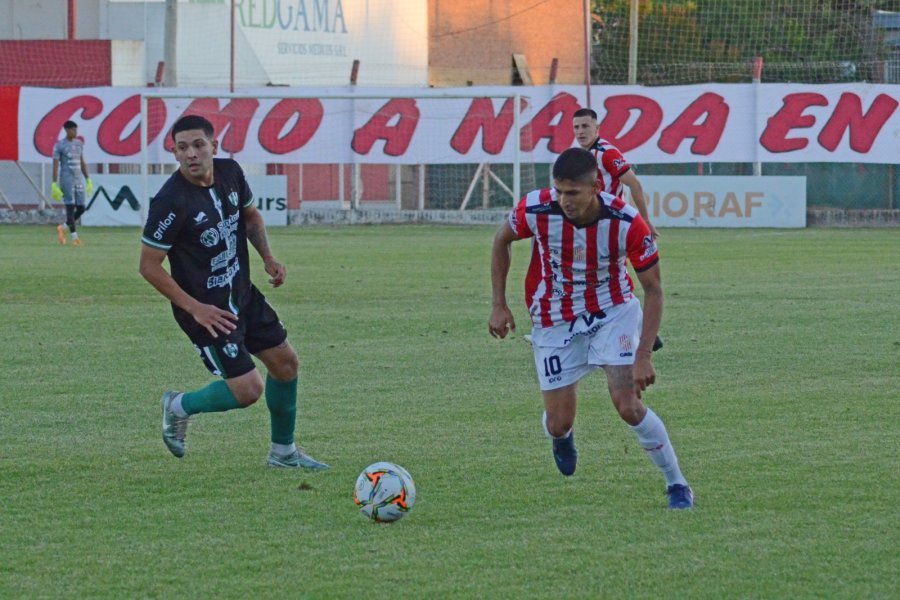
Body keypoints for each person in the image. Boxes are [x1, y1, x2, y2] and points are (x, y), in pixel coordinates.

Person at [488, 147, 693, 509]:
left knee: (627, 405)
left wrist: (643, 355)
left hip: (612, 311)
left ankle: (676, 484)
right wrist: (499, 304)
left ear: (596, 186)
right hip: (554, 318)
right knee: (557, 422)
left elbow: (654, 290)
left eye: (573, 193)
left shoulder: (626, 221)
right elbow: (500, 240)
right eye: (560, 191)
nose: (564, 200)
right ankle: (562, 435)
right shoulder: (536, 208)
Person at [139, 115, 328, 470]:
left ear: (214, 146)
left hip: (241, 292)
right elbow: (148, 266)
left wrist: (268, 259)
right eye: (182, 148)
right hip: (208, 311)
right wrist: (195, 309)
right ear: (175, 154)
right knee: (247, 391)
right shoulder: (170, 201)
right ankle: (178, 406)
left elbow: (251, 218)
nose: (191, 154)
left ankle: (283, 454)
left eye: (198, 145)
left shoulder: (231, 173)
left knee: (286, 364)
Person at [572, 108, 658, 240]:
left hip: (609, 221)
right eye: (576, 127)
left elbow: (635, 184)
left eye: (585, 126)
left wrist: (645, 221)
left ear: (596, 128)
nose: (580, 131)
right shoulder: (582, 154)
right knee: (581, 258)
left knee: (609, 259)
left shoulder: (607, 153)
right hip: (589, 221)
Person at [51, 120, 92, 245]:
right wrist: (54, 183)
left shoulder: (79, 144)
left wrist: (88, 179)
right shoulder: (60, 145)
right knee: (70, 206)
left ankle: (63, 228)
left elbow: (82, 162)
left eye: (76, 129)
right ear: (67, 130)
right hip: (66, 179)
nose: (75, 132)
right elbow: (55, 165)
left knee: (81, 207)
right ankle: (74, 237)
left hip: (78, 178)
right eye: (73, 130)